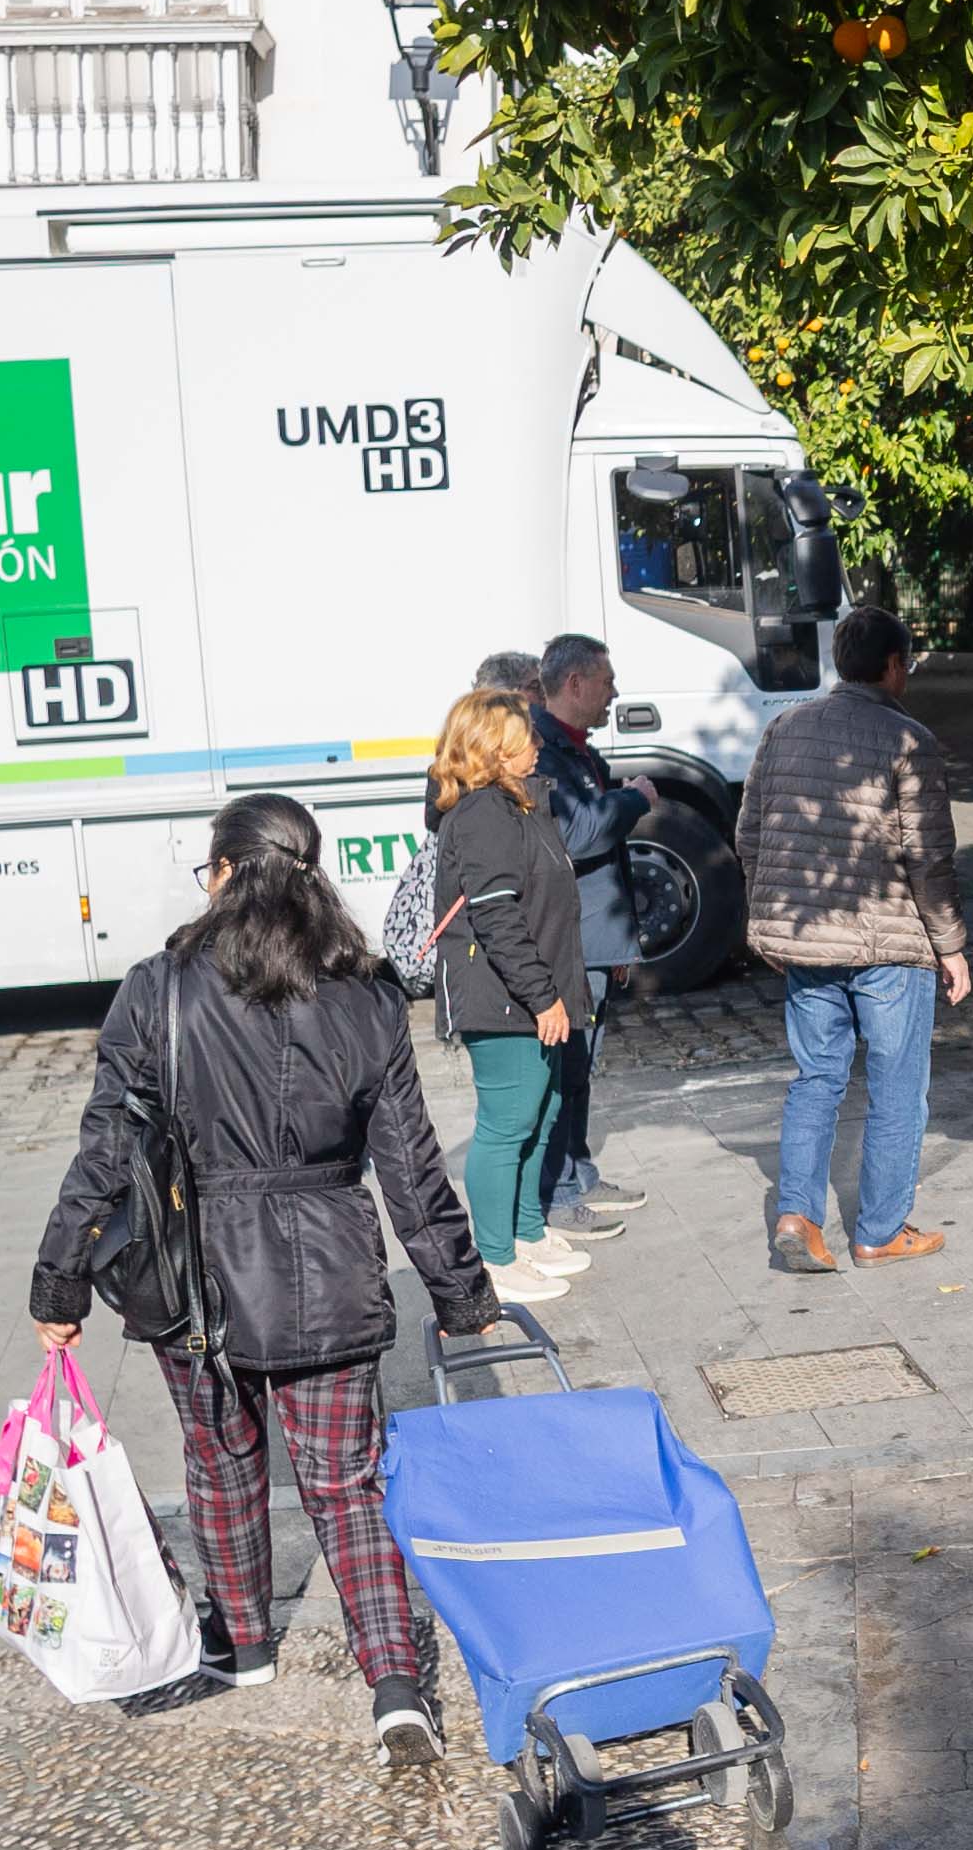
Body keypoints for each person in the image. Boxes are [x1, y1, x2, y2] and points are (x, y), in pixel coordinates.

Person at [33, 788, 503, 1764]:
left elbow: (108, 1151)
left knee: (221, 1463)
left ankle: (242, 1641)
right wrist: (459, 1289)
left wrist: (60, 1283)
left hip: (193, 1280)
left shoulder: (157, 988)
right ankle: (396, 1688)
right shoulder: (367, 992)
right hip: (330, 1269)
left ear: (227, 874)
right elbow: (413, 1163)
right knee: (346, 1487)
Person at [738, 600, 969, 1275]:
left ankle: (799, 1217)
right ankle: (878, 1232)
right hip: (890, 947)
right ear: (894, 667)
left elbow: (747, 836)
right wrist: (950, 946)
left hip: (807, 942)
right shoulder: (908, 741)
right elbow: (929, 857)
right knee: (898, 1089)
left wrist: (776, 916)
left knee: (816, 1078)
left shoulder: (783, 728)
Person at [419, 690, 586, 1308]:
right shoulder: (483, 813)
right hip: (504, 996)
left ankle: (524, 1231)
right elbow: (497, 917)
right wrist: (543, 997)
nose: (539, 745)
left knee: (539, 1116)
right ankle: (493, 1257)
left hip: (533, 992)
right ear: (493, 749)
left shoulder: (518, 802)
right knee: (507, 1124)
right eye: (526, 738)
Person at [519, 635, 652, 1241]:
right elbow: (576, 836)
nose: (614, 693)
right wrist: (634, 800)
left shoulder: (571, 748)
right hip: (569, 943)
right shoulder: (543, 753)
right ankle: (560, 1193)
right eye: (606, 680)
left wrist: (619, 946)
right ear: (575, 684)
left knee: (582, 1068)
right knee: (566, 1069)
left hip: (594, 940)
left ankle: (579, 1172)